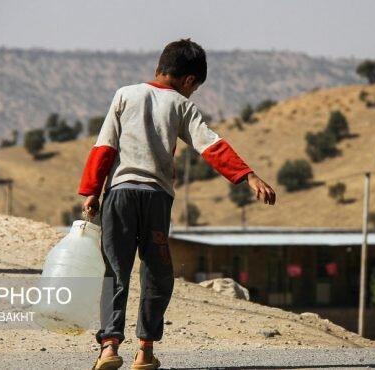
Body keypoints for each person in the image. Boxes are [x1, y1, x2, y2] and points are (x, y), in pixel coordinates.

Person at [78, 38, 276, 370]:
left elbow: (104, 147)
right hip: (156, 198)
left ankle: (109, 347)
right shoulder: (181, 105)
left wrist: (91, 192)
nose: (191, 93)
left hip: (120, 195)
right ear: (187, 81)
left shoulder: (125, 94)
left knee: (115, 270)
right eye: (193, 88)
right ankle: (145, 350)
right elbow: (211, 145)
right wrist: (248, 176)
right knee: (157, 273)